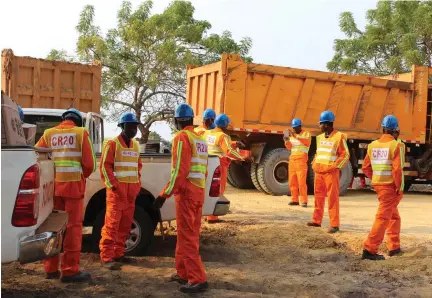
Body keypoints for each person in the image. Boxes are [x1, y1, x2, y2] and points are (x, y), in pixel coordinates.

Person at [153, 103, 209, 293]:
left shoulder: (182, 137)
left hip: (186, 194)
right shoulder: (200, 140)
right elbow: (204, 170)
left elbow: (179, 171)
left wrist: (164, 194)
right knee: (187, 235)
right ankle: (183, 272)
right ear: (191, 120)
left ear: (177, 121)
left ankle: (197, 278)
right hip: (198, 192)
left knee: (187, 238)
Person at [35, 108, 96, 283]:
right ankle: (69, 271)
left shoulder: (48, 134)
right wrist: (79, 176)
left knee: (52, 228)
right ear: (77, 120)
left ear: (63, 119)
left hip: (52, 190)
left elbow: (38, 157)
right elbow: (89, 164)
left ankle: (50, 269)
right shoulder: (81, 133)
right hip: (73, 189)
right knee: (73, 229)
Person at [99, 112, 142, 270]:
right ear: (123, 127)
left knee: (125, 226)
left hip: (130, 194)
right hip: (116, 194)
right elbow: (105, 167)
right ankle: (106, 256)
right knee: (111, 226)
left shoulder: (136, 145)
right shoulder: (112, 144)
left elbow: (138, 167)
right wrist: (114, 186)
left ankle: (118, 253)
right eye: (130, 126)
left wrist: (137, 186)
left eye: (135, 126)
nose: (133, 129)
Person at [361, 115, 404, 260]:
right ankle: (369, 249)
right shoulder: (396, 145)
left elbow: (366, 167)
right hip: (390, 187)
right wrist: (399, 187)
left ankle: (394, 246)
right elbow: (397, 170)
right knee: (383, 218)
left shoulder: (373, 145)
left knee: (393, 216)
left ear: (383, 129)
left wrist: (376, 178)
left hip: (379, 185)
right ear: (396, 131)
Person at [307, 110, 350, 233]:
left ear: (326, 124)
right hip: (319, 172)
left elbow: (345, 155)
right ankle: (316, 221)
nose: (319, 126)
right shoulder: (320, 138)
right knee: (318, 197)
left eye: (320, 123)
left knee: (332, 198)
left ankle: (334, 224)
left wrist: (335, 167)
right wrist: (314, 163)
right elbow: (319, 153)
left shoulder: (339, 137)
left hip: (330, 173)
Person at [204, 114, 250, 222]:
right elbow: (229, 151)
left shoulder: (208, 133)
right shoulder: (223, 136)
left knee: (208, 189)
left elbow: (220, 144)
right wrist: (243, 158)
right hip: (219, 164)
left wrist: (234, 143)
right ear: (225, 125)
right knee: (218, 190)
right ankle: (213, 217)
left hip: (207, 163)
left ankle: (207, 214)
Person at [284, 118, 311, 207]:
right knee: (292, 181)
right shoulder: (292, 135)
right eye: (293, 128)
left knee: (301, 182)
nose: (294, 129)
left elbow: (306, 141)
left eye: (296, 127)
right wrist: (286, 140)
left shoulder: (306, 134)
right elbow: (289, 147)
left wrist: (294, 136)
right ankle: (294, 199)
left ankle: (304, 201)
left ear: (300, 126)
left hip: (301, 160)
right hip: (292, 160)